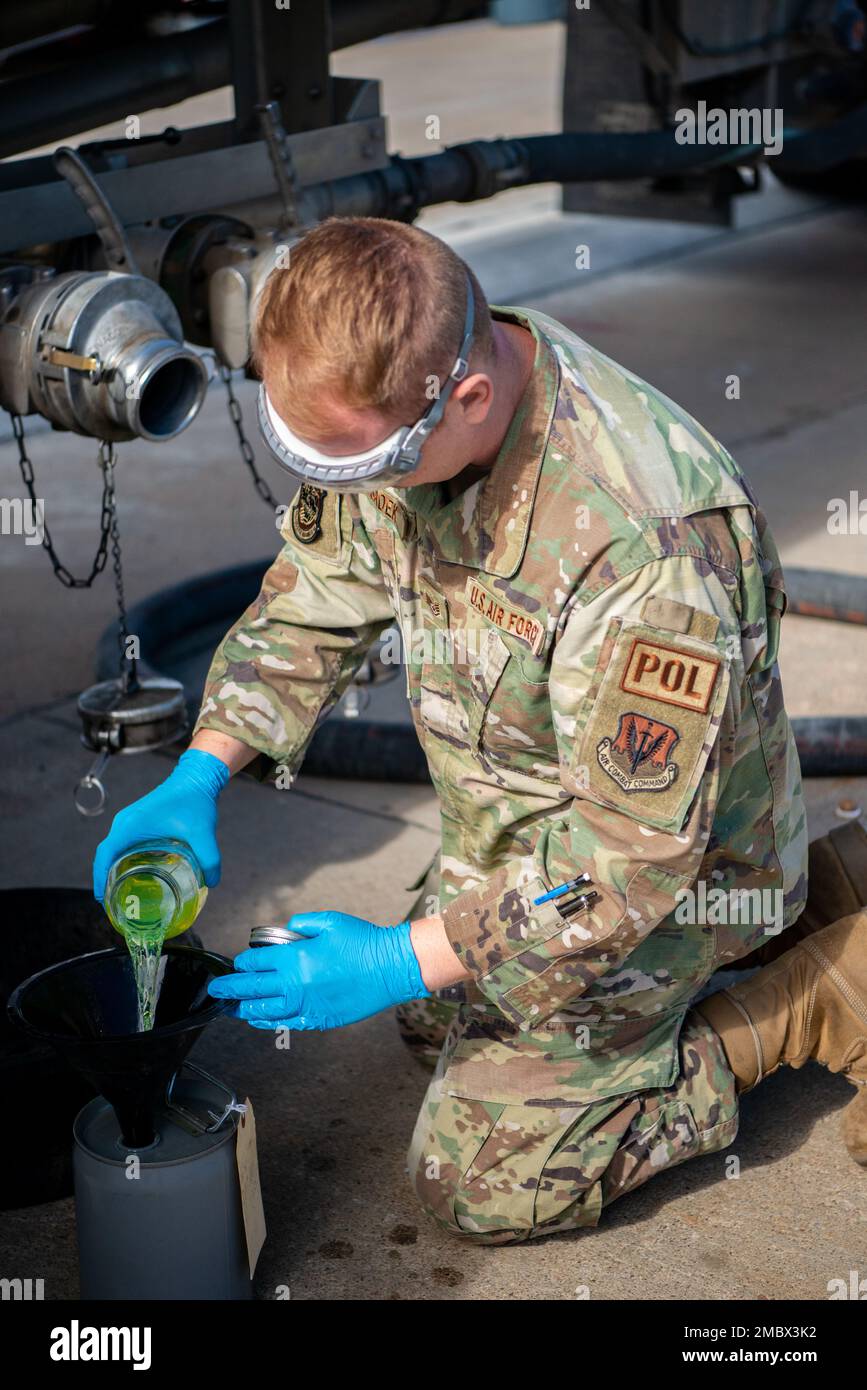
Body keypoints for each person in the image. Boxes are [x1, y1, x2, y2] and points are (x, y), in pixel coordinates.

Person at [93, 216, 867, 1244]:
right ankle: (840, 881)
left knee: (488, 1179)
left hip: (669, 872)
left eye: (359, 463)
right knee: (434, 1021)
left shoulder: (647, 546)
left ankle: (807, 996)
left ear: (467, 400)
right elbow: (314, 600)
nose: (350, 490)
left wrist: (398, 958)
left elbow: (628, 860)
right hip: (522, 830)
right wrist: (200, 771)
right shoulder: (405, 393)